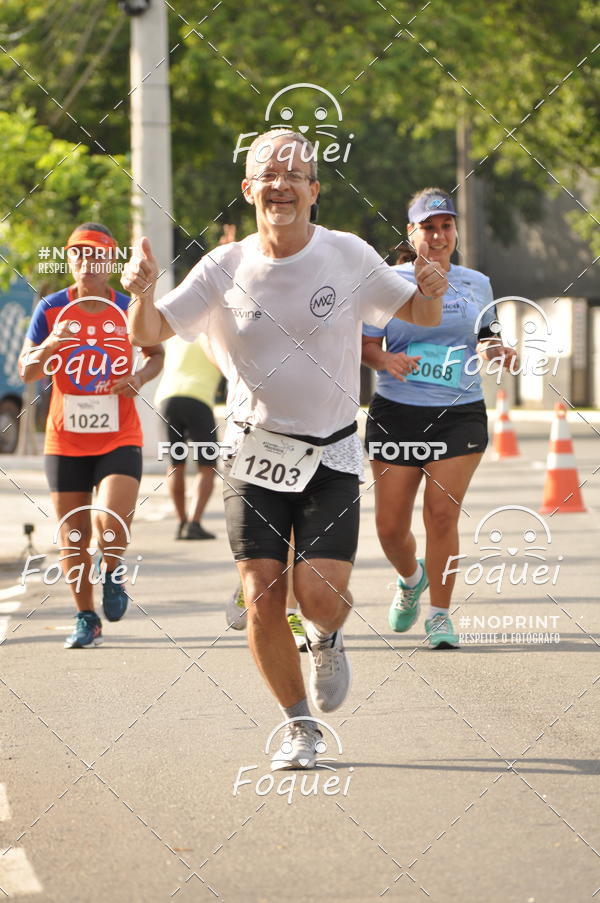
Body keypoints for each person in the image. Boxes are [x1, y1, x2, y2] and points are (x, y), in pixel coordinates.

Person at [122, 131, 447, 769]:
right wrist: (140, 292)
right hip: (252, 451)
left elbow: (421, 313)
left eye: (295, 175)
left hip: (330, 453)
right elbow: (153, 331)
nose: (281, 185)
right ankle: (298, 726)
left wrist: (430, 286)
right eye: (267, 175)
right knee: (262, 592)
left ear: (314, 191)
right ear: (249, 190)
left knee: (319, 596)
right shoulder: (225, 266)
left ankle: (325, 638)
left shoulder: (348, 256)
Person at [362, 188, 516, 649]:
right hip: (396, 412)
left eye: (446, 226)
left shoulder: (477, 283)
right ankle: (412, 579)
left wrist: (496, 350)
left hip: (459, 413)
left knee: (442, 515)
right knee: (390, 527)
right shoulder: (387, 282)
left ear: (454, 232)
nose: (438, 235)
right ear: (412, 232)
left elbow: (487, 339)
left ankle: (440, 615)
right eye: (428, 227)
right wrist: (385, 361)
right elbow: (366, 344)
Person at [19, 223, 164, 648]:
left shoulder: (126, 306)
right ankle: (86, 617)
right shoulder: (51, 308)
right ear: (68, 259)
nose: (86, 261)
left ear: (110, 261)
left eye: (96, 253)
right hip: (65, 439)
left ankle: (113, 570)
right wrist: (50, 347)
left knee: (109, 520)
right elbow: (25, 370)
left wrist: (138, 377)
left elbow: (156, 353)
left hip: (119, 434)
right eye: (78, 254)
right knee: (73, 535)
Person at [154, 336, 221, 539]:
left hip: (166, 400)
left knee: (175, 463)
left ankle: (181, 521)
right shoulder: (213, 335)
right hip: (198, 400)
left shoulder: (177, 333)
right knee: (207, 466)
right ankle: (194, 523)